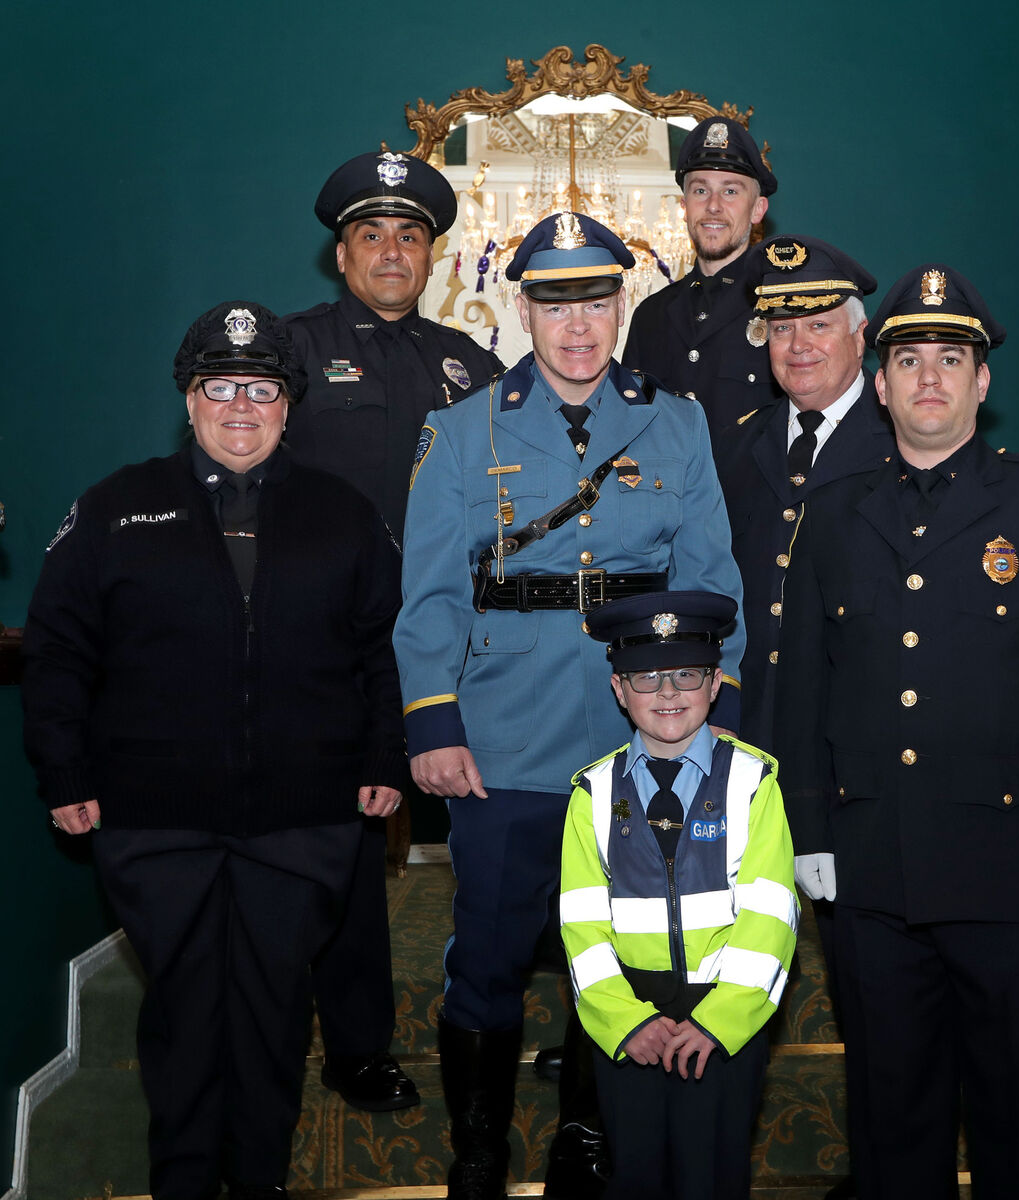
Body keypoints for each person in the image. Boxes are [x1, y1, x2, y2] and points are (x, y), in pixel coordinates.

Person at [394, 211, 746, 1199]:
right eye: (556, 306)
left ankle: (588, 1141)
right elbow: (430, 594)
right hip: (503, 732)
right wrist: (434, 720)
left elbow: (712, 578)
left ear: (620, 304)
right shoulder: (459, 431)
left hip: (647, 733)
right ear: (525, 312)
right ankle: (477, 1148)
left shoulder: (676, 422)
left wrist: (713, 717)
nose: (578, 326)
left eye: (595, 301)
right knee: (488, 952)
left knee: (627, 953)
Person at [21, 303, 408, 1200]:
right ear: (189, 399)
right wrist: (63, 770)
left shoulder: (343, 513)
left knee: (274, 1013)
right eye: (220, 386)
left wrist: (386, 757)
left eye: (261, 388)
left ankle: (259, 1181)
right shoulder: (115, 506)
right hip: (157, 823)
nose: (241, 405)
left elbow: (385, 651)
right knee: (186, 1012)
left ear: (288, 404)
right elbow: (57, 652)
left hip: (303, 820)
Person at [775, 266, 1019, 1198]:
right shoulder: (831, 512)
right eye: (908, 360)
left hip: (1014, 866)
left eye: (949, 358)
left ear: (982, 382)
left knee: (1016, 1116)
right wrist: (807, 826)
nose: (928, 376)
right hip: (869, 866)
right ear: (880, 383)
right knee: (891, 1118)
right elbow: (801, 685)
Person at [283, 149, 503, 1112]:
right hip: (333, 646)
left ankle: (502, 1013)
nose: (389, 252)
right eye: (369, 235)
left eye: (408, 236)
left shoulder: (471, 365)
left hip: (459, 638)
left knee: (495, 832)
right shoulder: (292, 352)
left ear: (431, 256)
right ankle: (356, 1044)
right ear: (342, 255)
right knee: (341, 848)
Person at [560, 590, 798, 1200]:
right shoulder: (592, 792)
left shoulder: (754, 781)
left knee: (711, 1177)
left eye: (687, 675)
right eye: (646, 678)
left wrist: (722, 1020)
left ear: (715, 684)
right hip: (631, 1018)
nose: (668, 693)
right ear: (620, 691)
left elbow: (771, 914)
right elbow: (581, 925)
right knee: (636, 1176)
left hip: (722, 1017)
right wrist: (622, 1020)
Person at [716, 234, 893, 754]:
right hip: (747, 728)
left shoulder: (902, 446)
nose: (798, 346)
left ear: (860, 336)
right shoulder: (731, 446)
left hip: (859, 735)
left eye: (819, 325)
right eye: (782, 328)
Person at [622, 116, 779, 447]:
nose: (713, 206)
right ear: (684, 207)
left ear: (757, 209)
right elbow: (629, 429)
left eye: (730, 191)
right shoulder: (650, 316)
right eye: (700, 190)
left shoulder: (781, 308)